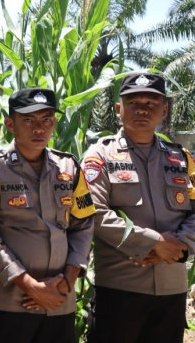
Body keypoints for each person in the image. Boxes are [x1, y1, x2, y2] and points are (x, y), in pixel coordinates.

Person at [0, 87, 96, 343]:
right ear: (10, 124)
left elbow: (82, 225)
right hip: (13, 302)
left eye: (46, 119)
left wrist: (66, 281)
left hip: (61, 300)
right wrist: (31, 286)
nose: (39, 128)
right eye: (28, 120)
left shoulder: (69, 167)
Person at [84, 71, 195, 343]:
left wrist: (179, 245)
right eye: (133, 103)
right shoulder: (99, 155)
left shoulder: (181, 158)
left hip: (172, 288)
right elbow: (93, 212)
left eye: (151, 103)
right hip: (120, 288)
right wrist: (153, 242)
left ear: (165, 110)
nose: (142, 110)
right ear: (119, 109)